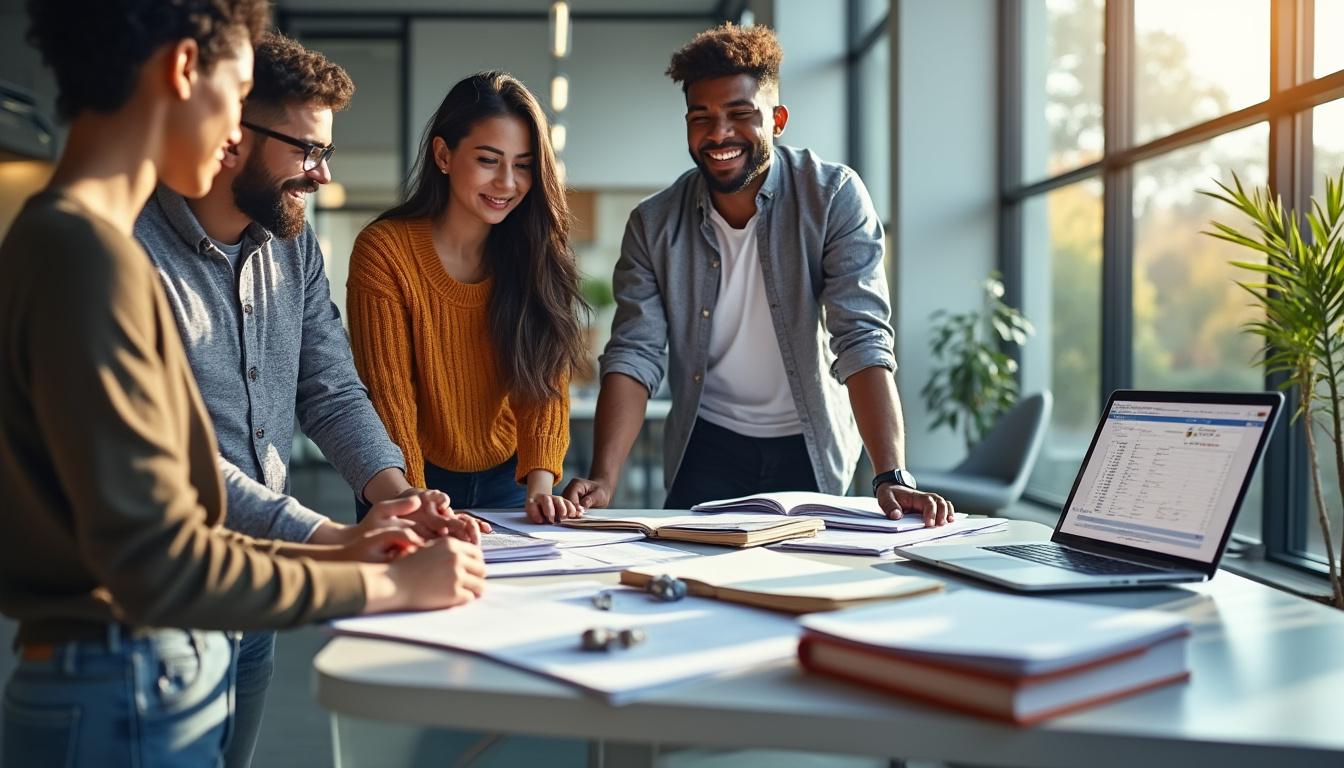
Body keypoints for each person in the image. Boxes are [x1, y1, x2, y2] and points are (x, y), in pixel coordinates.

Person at [0, 3, 484, 766]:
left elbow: (191, 491)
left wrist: (360, 535)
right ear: (184, 71)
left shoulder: (75, 244)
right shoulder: (90, 255)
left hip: (144, 672)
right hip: (125, 676)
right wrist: (385, 584)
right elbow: (167, 557)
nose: (230, 137)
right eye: (234, 95)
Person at [132, 33, 487, 768]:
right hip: (165, 605)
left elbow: (329, 386)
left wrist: (398, 495)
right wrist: (334, 539)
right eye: (306, 151)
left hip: (257, 591)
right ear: (234, 133)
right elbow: (175, 463)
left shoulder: (291, 248)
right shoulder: (132, 254)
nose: (323, 175)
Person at [562, 24, 955, 526]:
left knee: (801, 588)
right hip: (706, 444)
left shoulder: (832, 197)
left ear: (778, 119)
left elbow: (860, 337)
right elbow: (635, 351)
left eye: (740, 114)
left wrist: (892, 473)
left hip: (808, 445)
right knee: (690, 579)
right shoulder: (654, 223)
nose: (719, 133)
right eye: (700, 117)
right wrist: (604, 477)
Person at [347, 71, 588, 525]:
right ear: (443, 154)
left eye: (522, 164)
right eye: (488, 160)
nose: (507, 182)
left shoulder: (535, 249)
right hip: (404, 478)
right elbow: (389, 396)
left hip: (507, 479)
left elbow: (543, 383)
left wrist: (540, 487)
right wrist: (416, 503)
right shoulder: (385, 251)